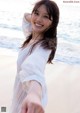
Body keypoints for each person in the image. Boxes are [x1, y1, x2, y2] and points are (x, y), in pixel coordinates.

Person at [10, 0, 59, 113]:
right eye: (36, 13)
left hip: (28, 101)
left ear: (53, 22)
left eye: (46, 16)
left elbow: (33, 69)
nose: (39, 20)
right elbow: (25, 17)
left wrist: (34, 94)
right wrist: (33, 17)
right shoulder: (32, 35)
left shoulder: (44, 47)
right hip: (19, 94)